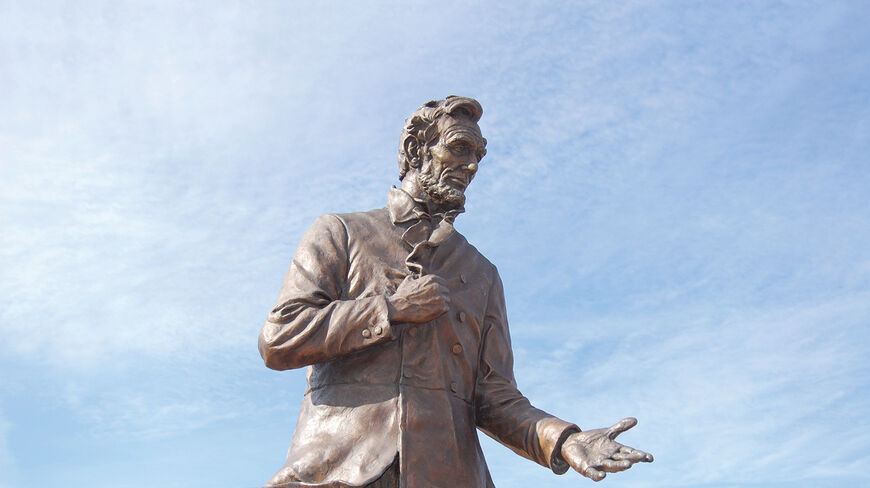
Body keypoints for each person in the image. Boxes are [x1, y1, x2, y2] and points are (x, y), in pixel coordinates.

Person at [258, 96, 653, 487]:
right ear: (416, 150)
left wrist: (564, 439)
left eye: (479, 155)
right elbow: (280, 337)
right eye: (459, 148)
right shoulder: (341, 233)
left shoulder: (482, 275)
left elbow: (495, 397)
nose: (471, 165)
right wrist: (390, 310)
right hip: (339, 471)